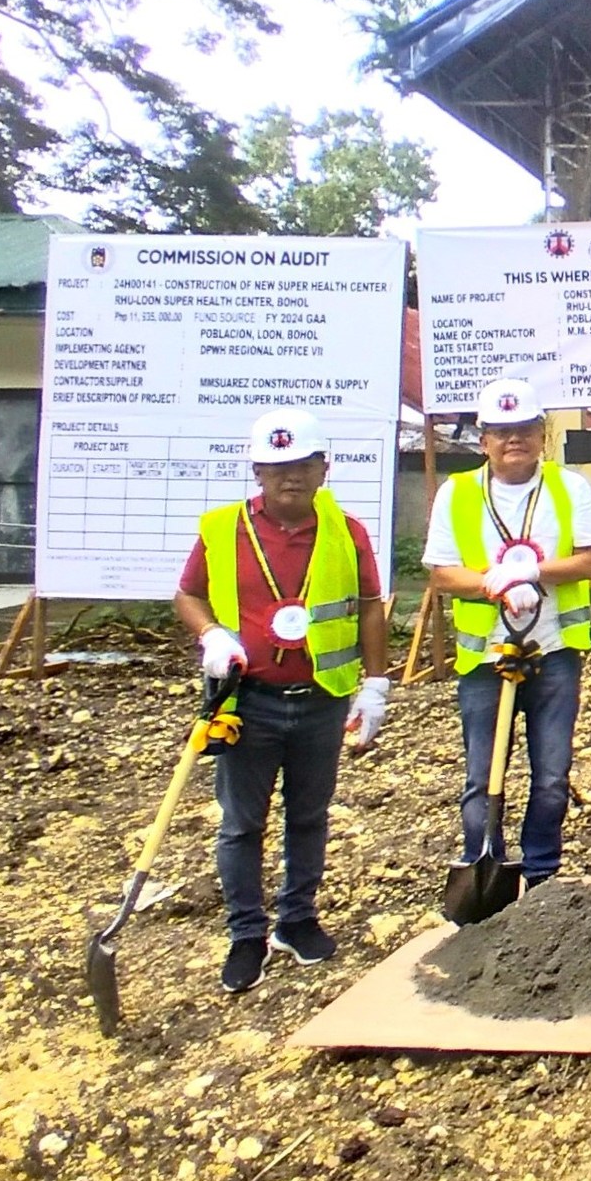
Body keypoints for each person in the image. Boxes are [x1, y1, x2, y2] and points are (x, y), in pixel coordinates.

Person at [173, 409, 390, 994]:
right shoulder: (222, 529)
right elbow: (188, 594)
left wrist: (376, 683)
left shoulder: (347, 531)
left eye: (300, 464)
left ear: (323, 468)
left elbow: (371, 603)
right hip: (246, 700)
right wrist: (211, 634)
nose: (288, 477)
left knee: (309, 815)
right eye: (275, 467)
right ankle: (246, 931)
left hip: (321, 697)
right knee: (243, 822)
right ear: (257, 471)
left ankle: (296, 919)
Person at [422, 378, 591, 892]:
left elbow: (588, 561)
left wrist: (532, 575)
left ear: (541, 434)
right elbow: (440, 573)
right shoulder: (456, 494)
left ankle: (543, 868)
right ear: (484, 440)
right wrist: (492, 584)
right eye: (501, 432)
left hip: (554, 651)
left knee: (551, 778)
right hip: (485, 659)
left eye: (524, 429)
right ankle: (484, 862)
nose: (514, 441)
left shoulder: (569, 488)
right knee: (483, 777)